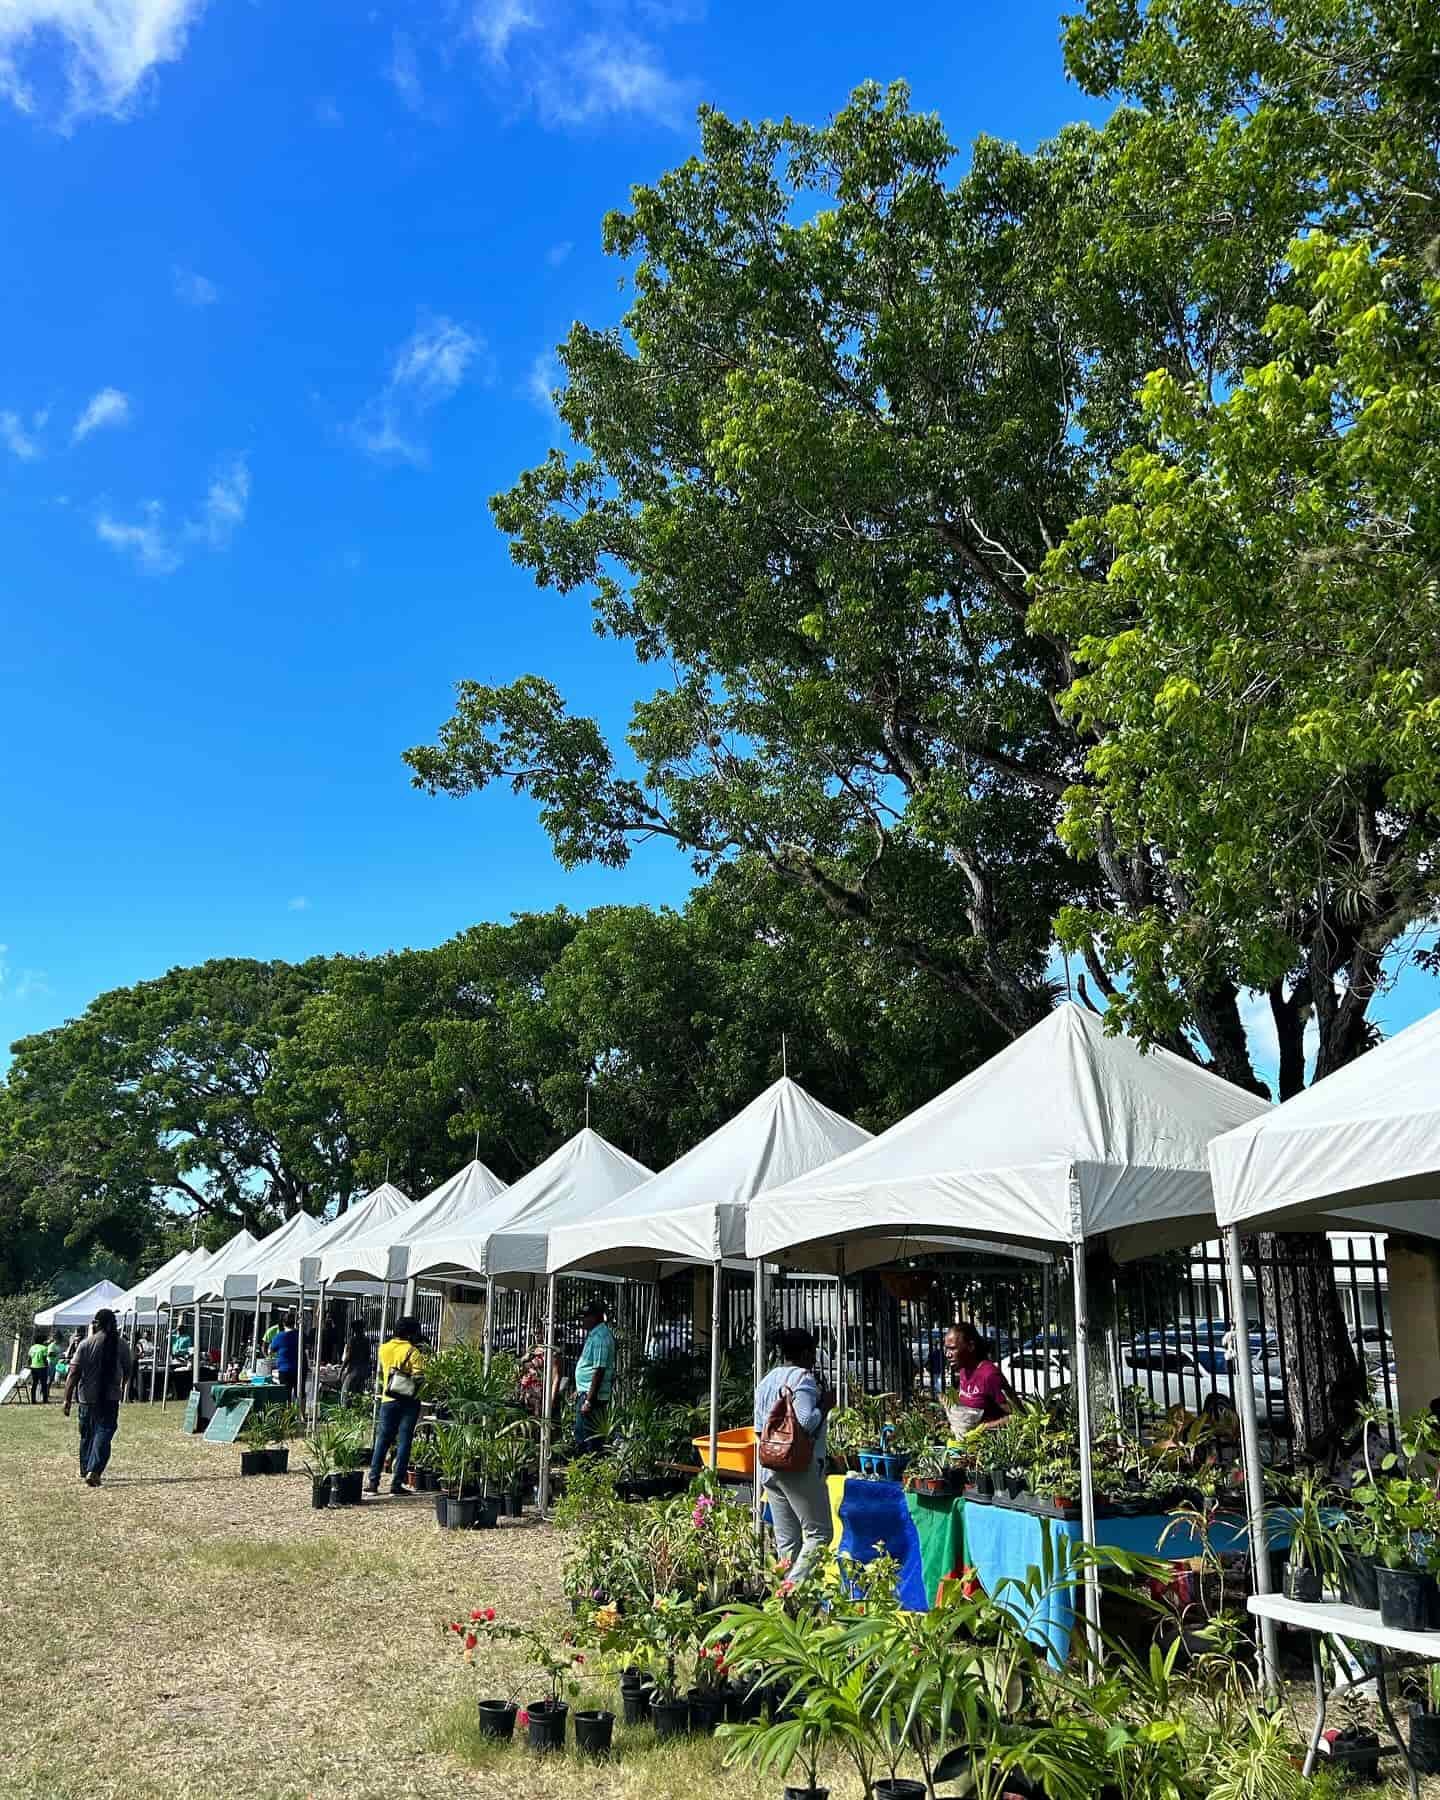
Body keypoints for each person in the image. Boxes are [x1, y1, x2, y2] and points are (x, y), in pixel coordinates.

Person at [754, 1327, 833, 1581]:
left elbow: (758, 1428)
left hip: (770, 1468)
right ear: (807, 1352)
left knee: (787, 1543)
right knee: (819, 1535)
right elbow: (806, 1421)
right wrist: (825, 1405)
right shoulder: (803, 1380)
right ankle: (790, 1589)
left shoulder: (766, 1381)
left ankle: (787, 1609)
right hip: (798, 1468)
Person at [63, 1308, 132, 1487]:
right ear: (112, 1324)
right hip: (110, 1398)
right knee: (105, 1431)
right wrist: (120, 1386)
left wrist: (67, 1399)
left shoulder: (85, 1344)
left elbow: (73, 1374)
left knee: (87, 1434)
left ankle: (86, 1468)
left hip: (87, 1398)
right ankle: (94, 1469)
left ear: (97, 1324)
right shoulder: (122, 1344)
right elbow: (128, 1370)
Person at [367, 1316, 427, 1496]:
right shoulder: (413, 1351)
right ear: (411, 1332)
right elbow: (419, 1377)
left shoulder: (383, 1348)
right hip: (408, 1402)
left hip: (388, 1398)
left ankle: (373, 1482)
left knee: (382, 1440)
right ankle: (396, 1484)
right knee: (404, 1442)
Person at [941, 1323, 1014, 1435]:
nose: (947, 1354)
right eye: (946, 1348)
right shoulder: (964, 1371)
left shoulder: (989, 1375)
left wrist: (983, 1428)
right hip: (966, 1444)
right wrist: (952, 1422)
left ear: (971, 1346)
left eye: (953, 1348)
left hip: (988, 1445)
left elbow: (1016, 1415)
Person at [573, 1301, 616, 1451]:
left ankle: (588, 1469)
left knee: (586, 1437)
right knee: (585, 1434)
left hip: (593, 1397)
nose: (583, 1320)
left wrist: (589, 1400)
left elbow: (599, 1370)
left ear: (596, 1317)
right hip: (586, 1392)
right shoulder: (595, 1335)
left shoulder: (601, 1338)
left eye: (586, 1317)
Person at [338, 1321, 373, 1400]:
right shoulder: (367, 1341)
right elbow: (368, 1357)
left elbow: (348, 1357)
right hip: (362, 1372)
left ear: (354, 1330)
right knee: (358, 1396)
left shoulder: (353, 1340)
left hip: (353, 1372)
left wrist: (341, 1372)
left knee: (345, 1396)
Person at [271, 1312, 300, 1400]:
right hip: (299, 1368)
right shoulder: (300, 1334)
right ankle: (300, 1413)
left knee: (285, 1394)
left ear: (283, 1323)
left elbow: (271, 1350)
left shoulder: (279, 1336)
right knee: (299, 1393)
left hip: (284, 1368)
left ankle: (287, 1412)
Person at [28, 1334, 51, 1404]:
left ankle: (33, 1400)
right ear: (42, 1341)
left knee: (34, 1384)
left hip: (33, 1367)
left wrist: (30, 1365)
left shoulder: (32, 1347)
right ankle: (45, 1399)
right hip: (41, 1367)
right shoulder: (44, 1348)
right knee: (43, 1384)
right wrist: (47, 1365)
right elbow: (44, 1359)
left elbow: (29, 1358)